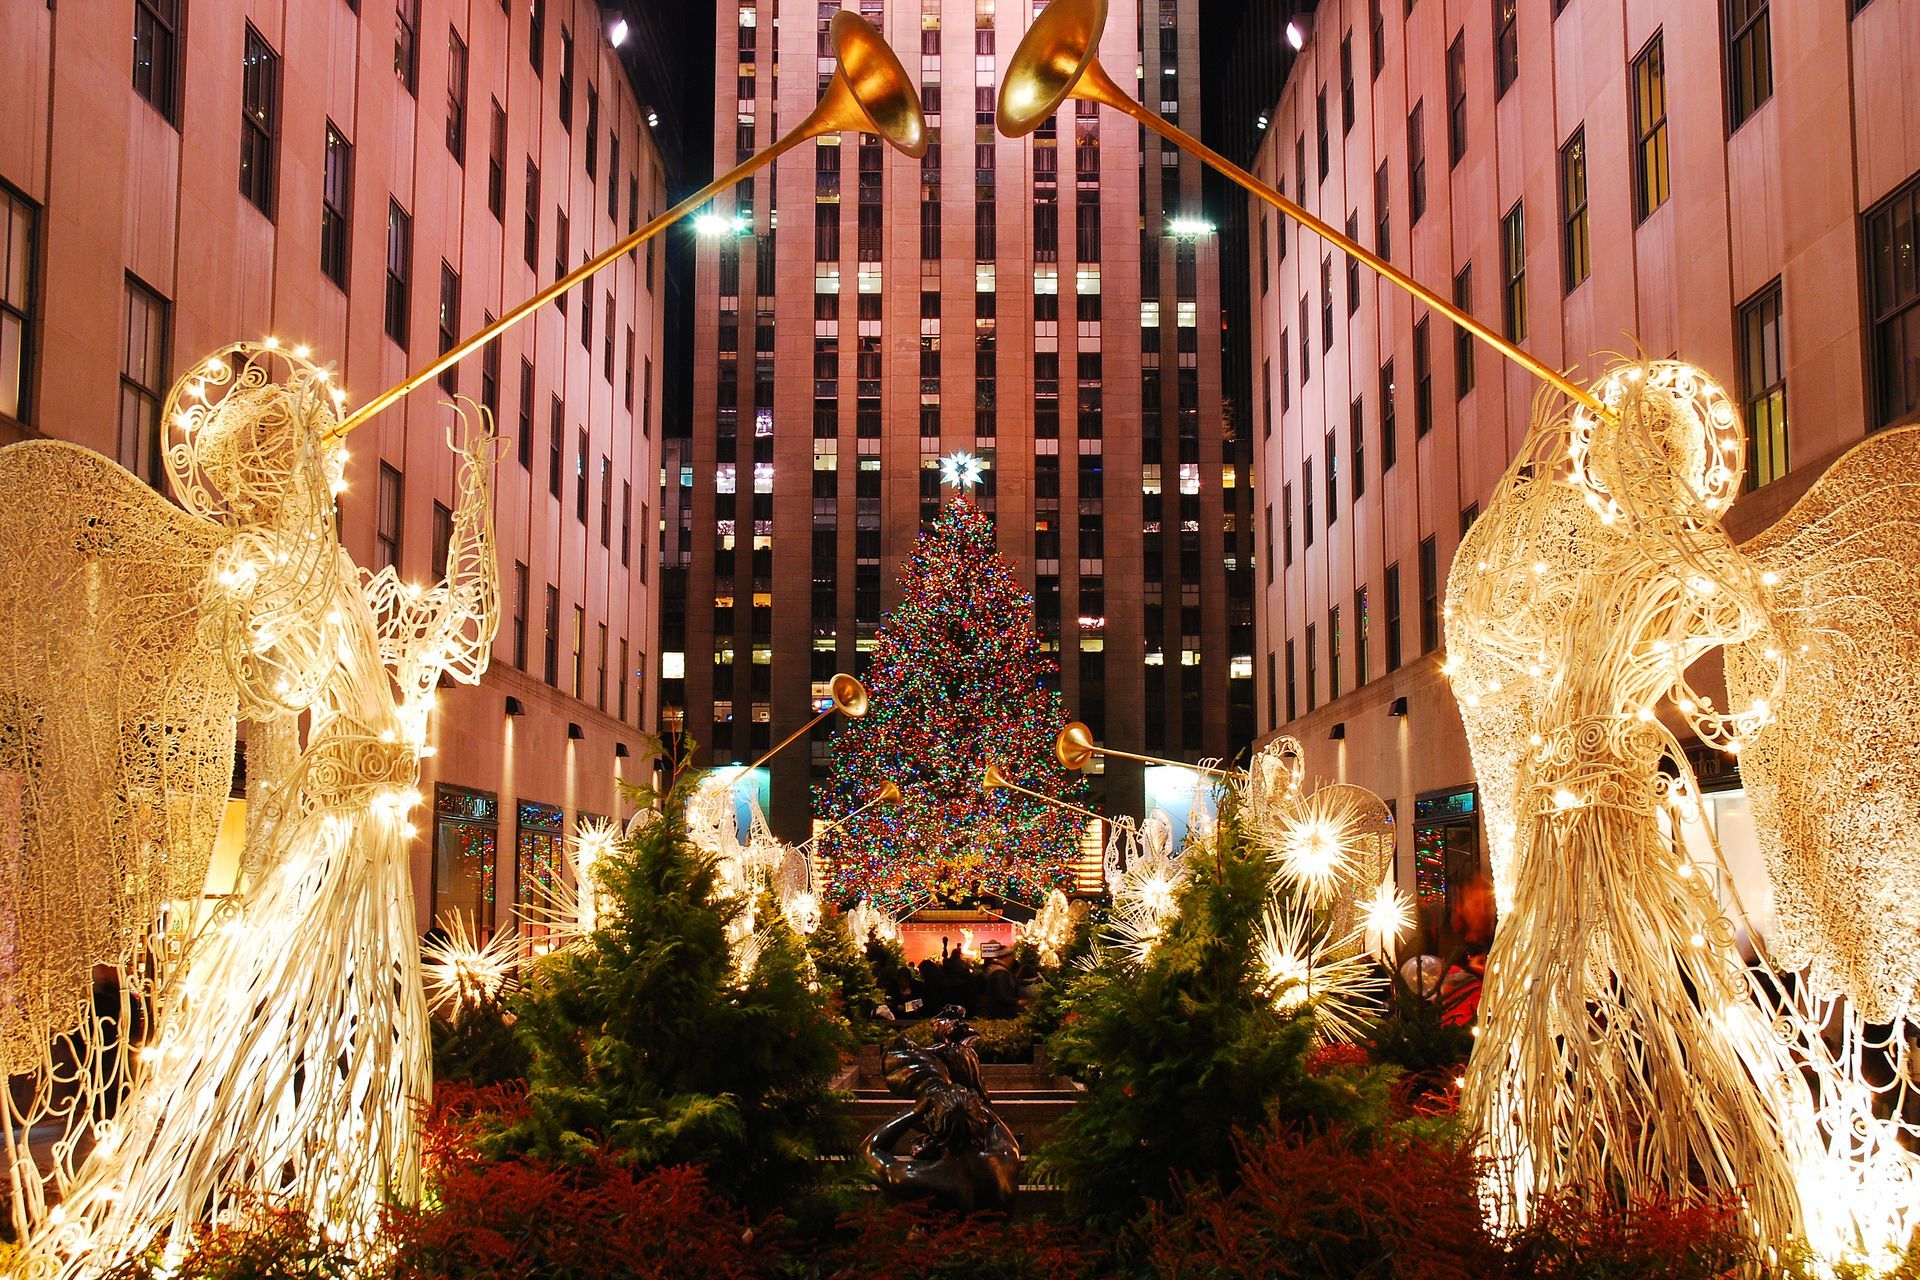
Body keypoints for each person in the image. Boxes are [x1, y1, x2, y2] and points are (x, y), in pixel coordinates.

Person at [975, 940, 1020, 1018]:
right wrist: (1018, 1002)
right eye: (1011, 956)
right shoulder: (1000, 972)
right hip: (1002, 1013)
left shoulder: (996, 969)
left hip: (997, 1012)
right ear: (1005, 957)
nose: (1012, 959)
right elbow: (1002, 995)